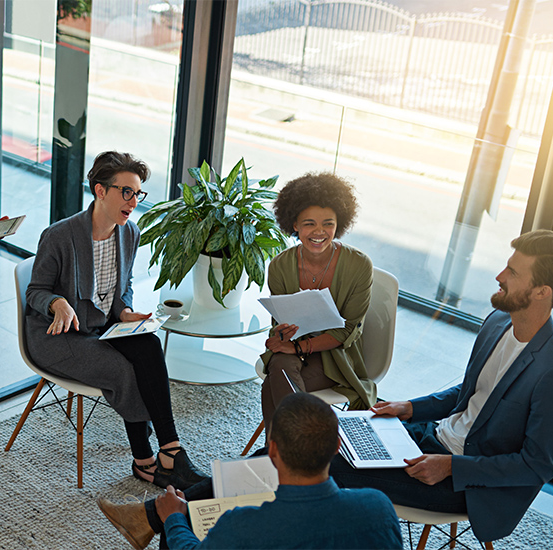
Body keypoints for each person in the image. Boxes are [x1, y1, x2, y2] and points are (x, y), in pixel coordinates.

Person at [331, 230, 553, 544]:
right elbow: (471, 392)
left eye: (513, 272)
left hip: (468, 484)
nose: (499, 276)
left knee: (321, 466)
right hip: (433, 440)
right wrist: (410, 408)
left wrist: (451, 467)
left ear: (542, 292)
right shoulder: (498, 321)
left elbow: (535, 467)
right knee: (318, 435)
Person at [25, 151, 210, 492]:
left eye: (137, 193)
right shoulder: (59, 236)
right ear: (100, 190)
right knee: (122, 370)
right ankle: (144, 460)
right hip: (58, 335)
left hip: (102, 324)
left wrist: (125, 312)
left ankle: (170, 449)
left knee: (149, 345)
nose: (133, 201)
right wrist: (59, 303)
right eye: (126, 192)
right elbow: (35, 292)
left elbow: (122, 286)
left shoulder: (129, 233)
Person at [97, 393, 403, 550]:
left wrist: (175, 520)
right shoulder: (379, 509)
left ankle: (156, 516)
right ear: (338, 446)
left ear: (272, 451)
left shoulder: (241, 525)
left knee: (178, 528)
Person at [259, 172, 374, 442]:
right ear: (294, 224)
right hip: (293, 346)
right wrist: (283, 336)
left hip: (335, 356)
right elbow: (280, 321)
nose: (319, 232)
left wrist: (299, 347)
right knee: (281, 369)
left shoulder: (359, 266)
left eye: (328, 224)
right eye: (309, 223)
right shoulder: (280, 266)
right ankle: (302, 448)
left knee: (275, 383)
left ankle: (278, 451)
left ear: (340, 224)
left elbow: (346, 332)